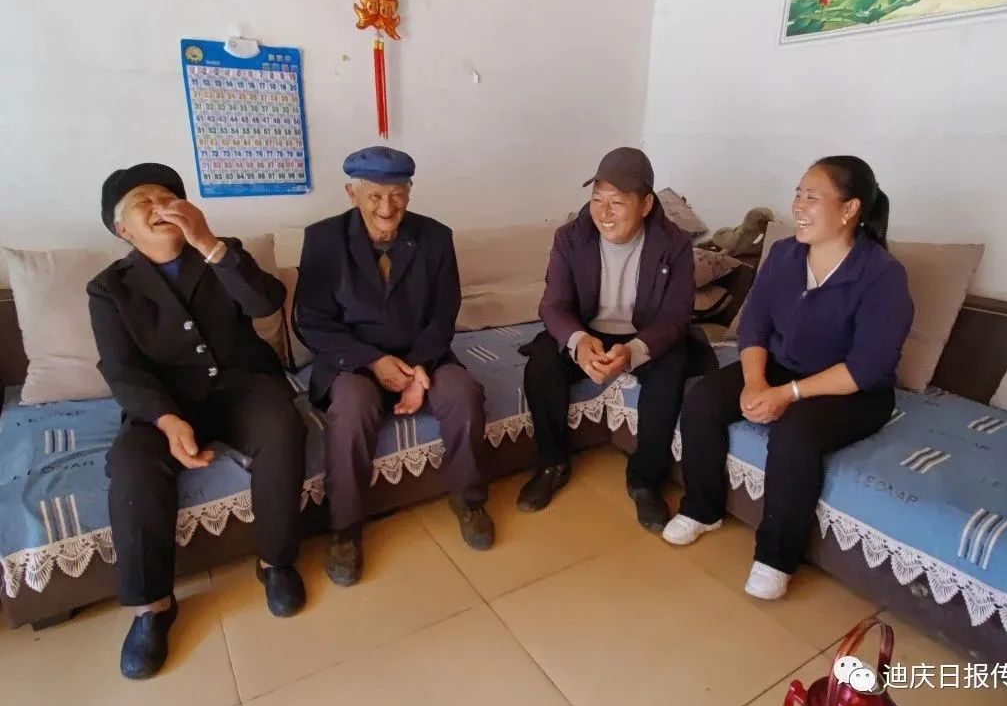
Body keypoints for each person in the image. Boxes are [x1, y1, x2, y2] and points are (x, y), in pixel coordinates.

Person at [88, 163, 307, 680]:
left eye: (167, 196)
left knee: (282, 428)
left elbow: (267, 302)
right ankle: (153, 606)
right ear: (123, 230)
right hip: (166, 402)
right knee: (132, 463)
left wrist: (208, 242)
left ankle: (275, 562)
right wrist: (165, 418)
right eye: (143, 201)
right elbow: (120, 368)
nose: (159, 205)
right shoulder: (109, 288)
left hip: (242, 385)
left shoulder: (220, 251)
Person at [665, 156, 914, 600]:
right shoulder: (784, 254)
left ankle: (776, 557)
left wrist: (788, 394)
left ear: (850, 208)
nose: (798, 205)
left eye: (812, 197)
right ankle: (702, 509)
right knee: (703, 399)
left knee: (795, 434)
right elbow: (755, 325)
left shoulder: (882, 275)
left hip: (853, 389)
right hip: (784, 366)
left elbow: (867, 367)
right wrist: (755, 382)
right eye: (798, 193)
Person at [295, 146, 493, 588]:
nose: (387, 207)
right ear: (352, 194)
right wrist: (374, 361)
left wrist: (418, 370)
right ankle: (344, 530)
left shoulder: (435, 237)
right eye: (374, 196)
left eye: (397, 195)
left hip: (422, 355)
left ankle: (469, 501)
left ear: (409, 193)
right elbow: (311, 321)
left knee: (463, 393)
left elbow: (443, 314)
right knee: (352, 406)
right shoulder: (324, 240)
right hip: (353, 361)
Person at [518, 147, 715, 531]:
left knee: (671, 367)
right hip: (587, 330)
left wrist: (635, 350)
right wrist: (578, 341)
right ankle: (552, 464)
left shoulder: (673, 243)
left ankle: (645, 480)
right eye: (597, 200)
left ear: (646, 204)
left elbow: (676, 316)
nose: (604, 212)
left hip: (644, 335)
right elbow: (553, 304)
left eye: (617, 202)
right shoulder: (570, 237)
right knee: (543, 361)